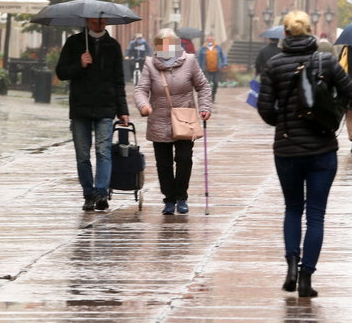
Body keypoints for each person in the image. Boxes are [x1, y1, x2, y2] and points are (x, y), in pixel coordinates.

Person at [257, 11, 352, 298]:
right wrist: (330, 114)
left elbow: (265, 109)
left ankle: (290, 264)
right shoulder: (327, 61)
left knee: (292, 208)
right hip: (322, 148)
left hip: (287, 149)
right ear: (310, 32)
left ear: (285, 34)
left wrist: (285, 122)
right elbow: (351, 94)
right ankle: (306, 278)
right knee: (315, 215)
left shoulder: (274, 64)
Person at [133, 28, 212, 215]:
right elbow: (140, 89)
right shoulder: (150, 64)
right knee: (163, 163)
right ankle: (168, 199)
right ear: (157, 46)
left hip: (185, 119)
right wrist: (143, 105)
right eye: (163, 44)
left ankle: (181, 196)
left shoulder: (190, 61)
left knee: (184, 159)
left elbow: (203, 86)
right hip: (159, 119)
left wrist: (205, 107)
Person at [56, 17, 130, 211]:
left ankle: (101, 193)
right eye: (94, 20)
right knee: (82, 154)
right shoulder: (74, 43)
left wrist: (123, 110)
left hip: (105, 107)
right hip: (80, 107)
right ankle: (88, 193)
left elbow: (118, 79)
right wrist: (79, 64)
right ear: (87, 20)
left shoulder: (112, 45)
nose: (98, 23)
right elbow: (61, 72)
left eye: (102, 20)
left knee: (103, 151)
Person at [197, 34, 228, 102]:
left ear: (213, 40)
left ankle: (213, 94)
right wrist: (197, 66)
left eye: (211, 39)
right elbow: (198, 58)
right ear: (207, 40)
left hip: (216, 69)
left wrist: (225, 64)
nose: (210, 40)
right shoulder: (203, 48)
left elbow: (223, 56)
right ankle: (208, 96)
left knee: (216, 83)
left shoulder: (218, 47)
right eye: (208, 39)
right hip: (206, 69)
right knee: (207, 83)